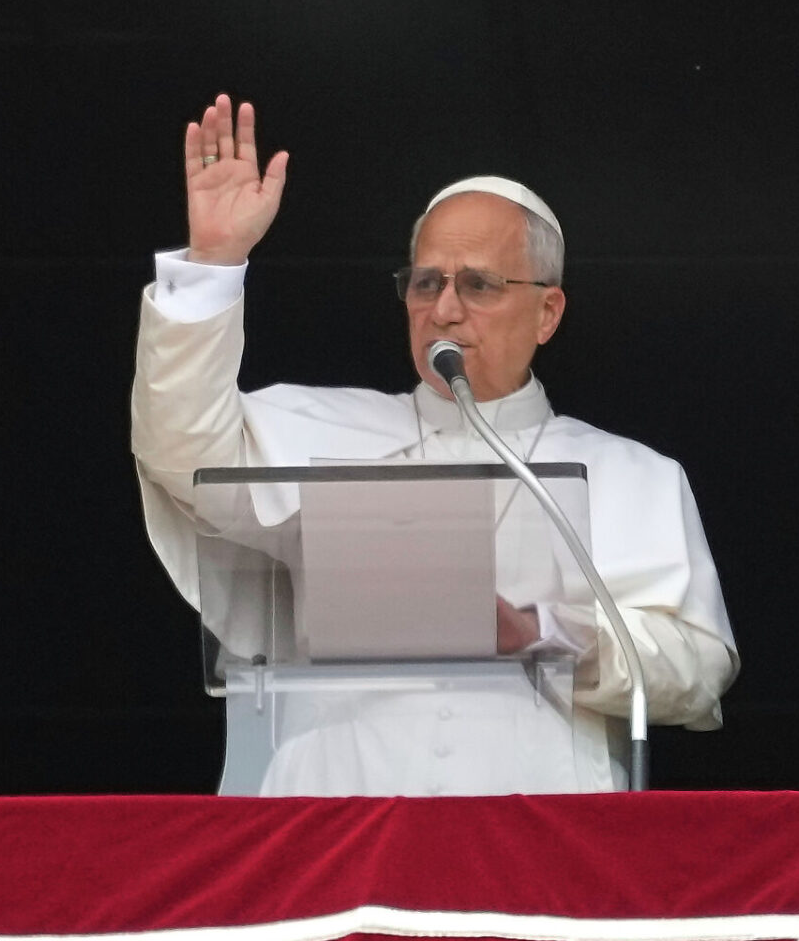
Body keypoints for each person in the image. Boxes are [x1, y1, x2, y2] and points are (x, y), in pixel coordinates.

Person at [132, 95, 737, 795]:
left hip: (536, 832)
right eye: (426, 283)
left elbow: (696, 671)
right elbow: (179, 452)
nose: (444, 309)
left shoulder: (635, 474)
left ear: (547, 311)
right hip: (338, 825)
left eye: (478, 285)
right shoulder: (320, 429)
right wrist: (212, 263)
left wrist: (540, 631)